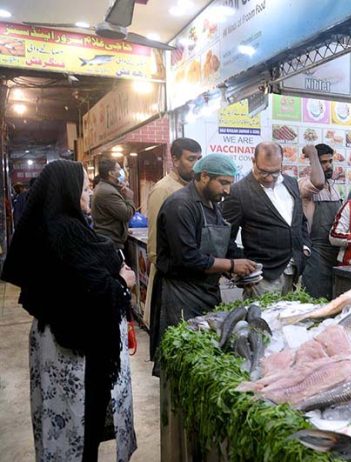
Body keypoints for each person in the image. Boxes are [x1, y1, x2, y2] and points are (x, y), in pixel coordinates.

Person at [1, 160, 137, 461]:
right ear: (68, 192)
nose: (89, 194)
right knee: (78, 424)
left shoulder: (52, 229)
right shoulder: (64, 235)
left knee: (67, 426)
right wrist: (122, 281)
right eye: (85, 189)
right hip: (74, 351)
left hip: (58, 341)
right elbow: (87, 295)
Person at [150, 154, 256, 375]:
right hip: (179, 294)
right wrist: (231, 265)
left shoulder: (212, 204)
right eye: (223, 183)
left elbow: (223, 245)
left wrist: (242, 270)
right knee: (180, 361)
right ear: (204, 176)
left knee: (202, 360)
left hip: (205, 291)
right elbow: (187, 258)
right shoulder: (181, 205)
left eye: (230, 183)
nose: (227, 190)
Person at [223, 142, 310, 297]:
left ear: (281, 163)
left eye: (275, 172)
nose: (270, 178)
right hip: (263, 277)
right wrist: (241, 266)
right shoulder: (238, 192)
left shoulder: (291, 183)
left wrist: (305, 247)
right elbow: (224, 237)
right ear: (253, 161)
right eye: (263, 172)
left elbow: (300, 220)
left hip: (295, 271)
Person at [144, 138, 202, 328]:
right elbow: (154, 247)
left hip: (192, 277)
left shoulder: (195, 189)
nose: (196, 165)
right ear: (175, 160)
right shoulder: (163, 190)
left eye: (199, 159)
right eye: (191, 159)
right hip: (170, 278)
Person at [299, 143, 342, 299]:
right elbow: (317, 183)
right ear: (313, 164)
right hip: (315, 253)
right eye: (323, 162)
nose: (328, 166)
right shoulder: (304, 183)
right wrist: (311, 153)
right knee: (316, 299)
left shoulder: (334, 187)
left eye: (330, 161)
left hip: (335, 252)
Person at [92, 158, 136, 249]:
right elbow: (126, 214)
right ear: (111, 173)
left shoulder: (107, 188)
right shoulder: (107, 192)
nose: (121, 172)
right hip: (110, 243)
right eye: (119, 169)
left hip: (110, 240)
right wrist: (129, 198)